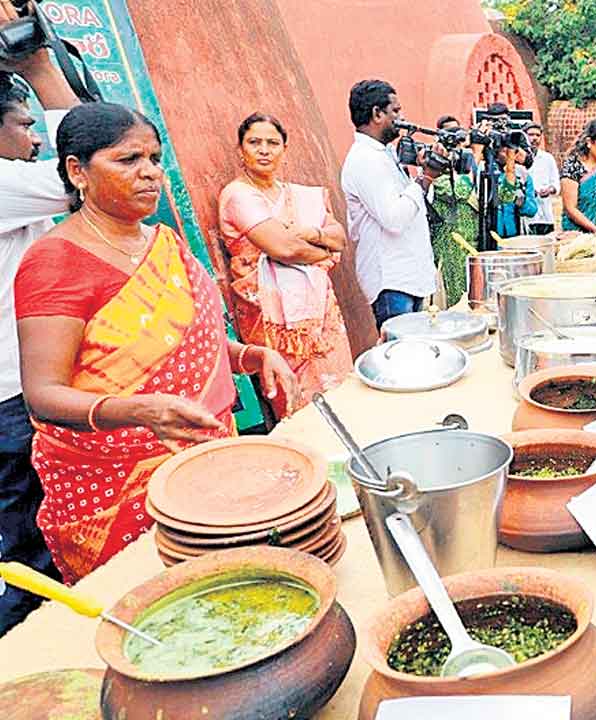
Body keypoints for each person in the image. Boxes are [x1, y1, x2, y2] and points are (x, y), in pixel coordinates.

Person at [14, 103, 298, 584]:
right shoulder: (53, 262)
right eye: (128, 160)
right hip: (113, 487)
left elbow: (186, 340)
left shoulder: (163, 242)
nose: (148, 173)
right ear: (77, 171)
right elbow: (43, 394)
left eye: (154, 159)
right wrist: (140, 412)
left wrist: (251, 355)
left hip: (205, 455)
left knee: (234, 588)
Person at [0, 34, 78, 633]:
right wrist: (41, 66)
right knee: (29, 546)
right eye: (23, 126)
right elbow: (92, 160)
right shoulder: (5, 184)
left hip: (17, 392)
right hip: (11, 399)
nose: (34, 138)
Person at [217, 113, 352, 420]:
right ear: (241, 150)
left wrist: (314, 234)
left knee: (340, 393)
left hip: (320, 315)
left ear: (284, 149)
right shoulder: (238, 195)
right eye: (254, 142)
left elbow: (339, 237)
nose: (264, 150)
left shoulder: (301, 195)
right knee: (300, 406)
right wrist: (321, 254)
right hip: (271, 319)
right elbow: (284, 247)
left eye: (272, 143)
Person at [340, 79, 437, 328]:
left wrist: (423, 176)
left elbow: (414, 206)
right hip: (392, 281)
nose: (402, 117)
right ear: (377, 114)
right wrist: (424, 179)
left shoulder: (384, 154)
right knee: (401, 358)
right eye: (396, 111)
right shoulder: (365, 160)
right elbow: (394, 219)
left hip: (407, 275)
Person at [426, 155, 479, 308]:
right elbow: (460, 191)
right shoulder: (441, 182)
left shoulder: (474, 176)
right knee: (455, 300)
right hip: (449, 249)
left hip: (468, 246)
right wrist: (476, 156)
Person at [494, 144, 538, 238]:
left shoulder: (523, 175)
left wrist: (519, 200)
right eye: (503, 151)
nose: (508, 155)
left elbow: (532, 209)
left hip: (516, 235)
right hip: (492, 235)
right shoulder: (487, 172)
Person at [524, 123, 559, 235]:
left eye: (537, 135)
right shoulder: (518, 159)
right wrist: (529, 192)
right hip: (526, 216)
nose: (534, 138)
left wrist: (549, 190)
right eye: (531, 135)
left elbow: (556, 184)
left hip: (545, 215)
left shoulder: (548, 158)